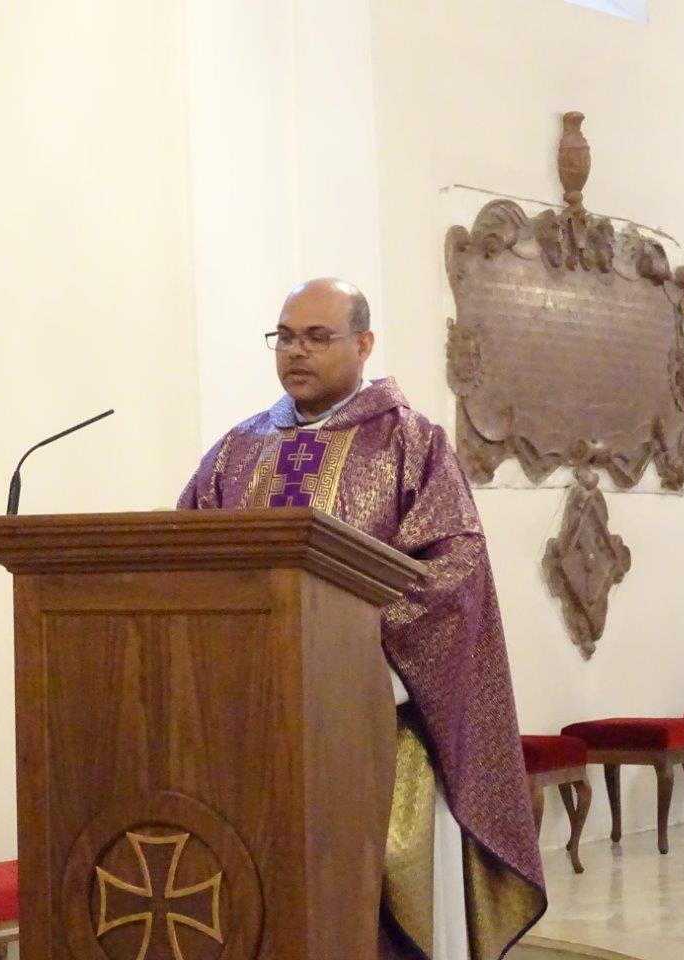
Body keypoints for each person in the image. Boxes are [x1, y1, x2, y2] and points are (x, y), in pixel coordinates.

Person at [179, 278, 545, 960]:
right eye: (286, 337)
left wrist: (346, 642)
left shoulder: (410, 442)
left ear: (364, 344)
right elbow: (184, 556)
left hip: (376, 724)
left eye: (317, 337)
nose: (297, 351)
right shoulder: (238, 449)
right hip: (247, 720)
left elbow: (455, 567)